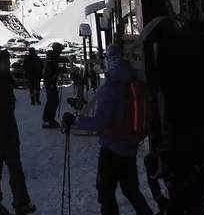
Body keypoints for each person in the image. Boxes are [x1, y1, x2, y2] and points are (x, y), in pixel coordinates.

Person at [62, 47, 154, 215]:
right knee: (131, 190)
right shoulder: (133, 82)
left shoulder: (110, 88)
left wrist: (76, 120)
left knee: (106, 193)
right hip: (130, 146)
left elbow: (100, 122)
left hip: (111, 149)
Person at [0, 49, 37, 215]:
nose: (8, 64)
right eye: (5, 62)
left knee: (16, 170)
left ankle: (22, 202)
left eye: (8, 61)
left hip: (9, 132)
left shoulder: (6, 80)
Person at [41, 43, 63, 128]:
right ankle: (48, 120)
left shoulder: (52, 57)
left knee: (53, 101)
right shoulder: (52, 58)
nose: (60, 52)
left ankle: (49, 119)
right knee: (52, 101)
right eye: (60, 50)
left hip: (51, 82)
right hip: (50, 82)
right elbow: (51, 70)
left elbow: (53, 70)